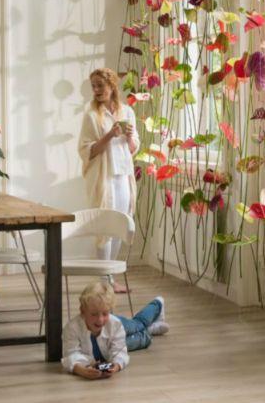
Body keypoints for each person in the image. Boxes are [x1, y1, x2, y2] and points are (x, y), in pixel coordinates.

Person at [77, 68, 139, 292]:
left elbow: (133, 148)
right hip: (103, 179)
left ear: (112, 86)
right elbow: (87, 150)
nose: (96, 90)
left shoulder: (127, 112)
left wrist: (129, 137)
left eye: (100, 85)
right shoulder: (91, 116)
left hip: (123, 177)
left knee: (119, 225)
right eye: (93, 86)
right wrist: (110, 135)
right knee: (104, 227)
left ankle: (110, 278)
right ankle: (104, 281)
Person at [61, 280, 168, 380]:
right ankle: (149, 330)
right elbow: (70, 355)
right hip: (108, 345)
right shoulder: (72, 328)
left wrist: (116, 367)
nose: (100, 319)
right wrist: (82, 371)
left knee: (138, 324)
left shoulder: (115, 324)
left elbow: (119, 353)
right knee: (140, 341)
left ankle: (157, 304)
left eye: (105, 313)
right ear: (82, 311)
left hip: (117, 327)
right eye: (94, 314)